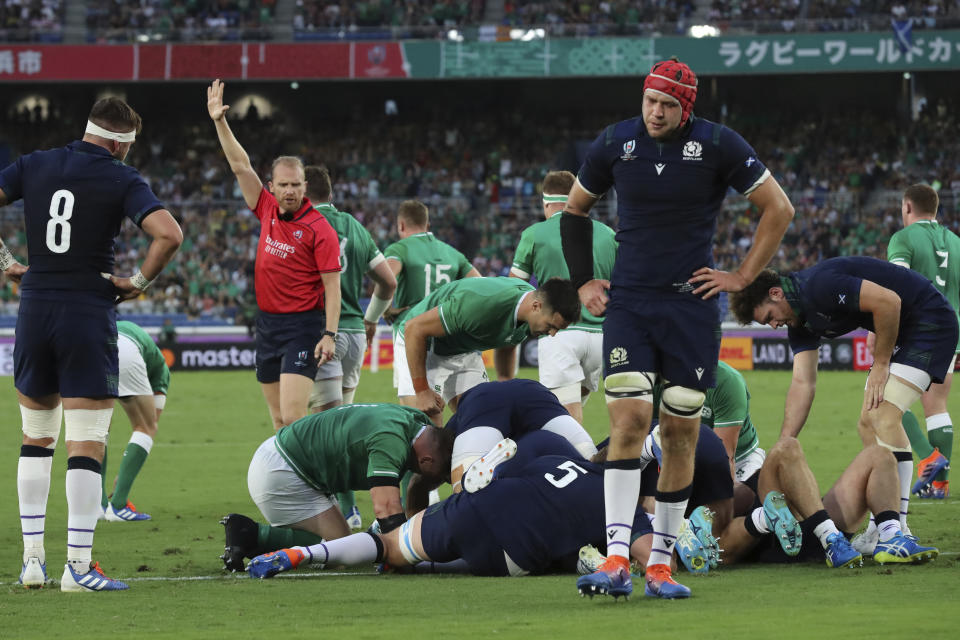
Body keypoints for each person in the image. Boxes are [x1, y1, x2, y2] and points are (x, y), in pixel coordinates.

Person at [563, 58, 795, 599]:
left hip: (691, 310)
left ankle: (660, 566)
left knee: (680, 433)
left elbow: (777, 208)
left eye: (668, 104)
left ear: (686, 108)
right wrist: (582, 283)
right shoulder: (615, 142)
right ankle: (618, 558)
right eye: (649, 101)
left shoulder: (719, 144)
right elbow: (574, 213)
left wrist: (741, 276)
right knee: (629, 418)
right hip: (631, 305)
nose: (656, 112)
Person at [1, 97, 182, 591]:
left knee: (36, 438)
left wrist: (5, 263)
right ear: (121, 143)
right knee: (87, 442)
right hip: (86, 308)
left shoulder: (35, 164)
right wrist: (138, 282)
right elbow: (168, 234)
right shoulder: (121, 177)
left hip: (35, 308)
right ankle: (78, 569)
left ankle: (32, 561)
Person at [729, 256, 960, 541]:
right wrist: (782, 450)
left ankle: (897, 531)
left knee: (883, 415)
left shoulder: (817, 286)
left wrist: (881, 364)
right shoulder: (799, 322)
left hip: (929, 320)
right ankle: (883, 524)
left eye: (769, 317)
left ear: (776, 293)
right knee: (867, 423)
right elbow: (803, 382)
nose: (774, 325)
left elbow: (889, 302)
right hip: (906, 329)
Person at [246, 452, 654, 583]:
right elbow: (647, 554)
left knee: (389, 547)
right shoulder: (625, 505)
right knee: (548, 556)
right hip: (512, 554)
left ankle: (300, 554)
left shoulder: (560, 458)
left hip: (480, 507)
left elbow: (487, 480)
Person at [207, 79, 342, 432]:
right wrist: (220, 122)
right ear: (272, 188)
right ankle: (292, 484)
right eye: (283, 185)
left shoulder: (319, 229)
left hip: (303, 327)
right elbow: (240, 166)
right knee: (279, 421)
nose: (290, 191)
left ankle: (313, 483)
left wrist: (329, 333)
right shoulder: (265, 209)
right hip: (267, 325)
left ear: (305, 186)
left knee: (295, 417)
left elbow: (333, 287)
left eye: (296, 184)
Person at [220, 403, 452, 572]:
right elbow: (386, 508)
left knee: (349, 542)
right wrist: (403, 555)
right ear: (427, 461)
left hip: (288, 457)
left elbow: (416, 489)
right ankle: (252, 534)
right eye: (440, 476)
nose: (439, 482)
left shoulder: (415, 422)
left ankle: (251, 534)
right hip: (283, 473)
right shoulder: (390, 442)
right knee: (340, 551)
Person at [304, 165, 397, 530]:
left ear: (303, 190)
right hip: (356, 333)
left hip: (324, 332)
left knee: (327, 427)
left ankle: (345, 508)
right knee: (341, 422)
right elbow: (386, 283)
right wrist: (373, 317)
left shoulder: (304, 223)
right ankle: (348, 505)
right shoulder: (355, 227)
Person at [510, 170, 617, 422]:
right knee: (573, 412)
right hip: (601, 337)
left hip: (559, 333)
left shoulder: (534, 234)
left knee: (564, 418)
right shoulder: (609, 235)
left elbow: (513, 288)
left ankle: (573, 459)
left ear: (546, 203)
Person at [396, 276, 581, 421]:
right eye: (551, 325)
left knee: (484, 418)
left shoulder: (531, 314)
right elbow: (414, 328)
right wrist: (421, 391)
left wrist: (505, 381)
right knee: (427, 431)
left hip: (464, 348)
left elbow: (508, 343)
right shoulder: (481, 305)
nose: (553, 333)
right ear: (535, 306)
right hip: (425, 345)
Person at [885, 184, 958, 499]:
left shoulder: (903, 239)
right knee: (937, 405)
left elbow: (896, 287)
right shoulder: (956, 242)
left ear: (907, 207)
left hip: (917, 332)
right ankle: (937, 484)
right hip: (952, 332)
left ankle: (928, 457)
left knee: (881, 399)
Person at [382, 200, 479, 404]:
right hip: (449, 332)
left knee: (419, 413)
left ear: (400, 225)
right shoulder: (453, 253)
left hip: (414, 336)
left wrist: (385, 309)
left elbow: (387, 279)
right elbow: (479, 284)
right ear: (428, 225)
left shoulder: (400, 249)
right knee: (466, 410)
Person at [442, 379, 598, 493]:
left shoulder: (446, 441)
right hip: (533, 392)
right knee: (593, 467)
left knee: (465, 493)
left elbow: (422, 482)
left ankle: (493, 476)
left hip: (483, 401)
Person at [100, 320, 171, 522]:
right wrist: (122, 477)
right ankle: (119, 505)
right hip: (125, 349)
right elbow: (151, 423)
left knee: (97, 429)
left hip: (92, 346)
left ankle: (97, 504)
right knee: (146, 427)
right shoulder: (160, 370)